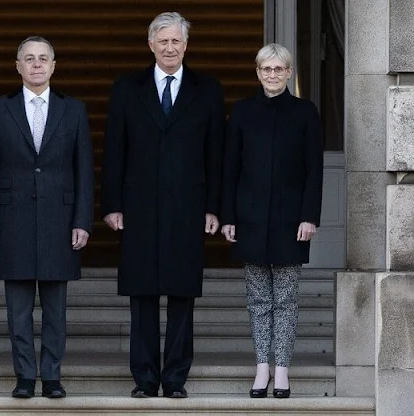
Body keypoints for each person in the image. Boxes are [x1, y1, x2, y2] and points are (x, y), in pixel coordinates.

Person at [101, 12, 224, 399]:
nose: (170, 48)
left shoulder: (208, 89)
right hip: (139, 206)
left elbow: (215, 154)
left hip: (189, 205)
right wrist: (112, 204)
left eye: (176, 41)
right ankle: (144, 379)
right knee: (142, 294)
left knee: (182, 293)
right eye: (163, 41)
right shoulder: (126, 88)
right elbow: (114, 150)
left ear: (186, 45)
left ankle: (174, 380)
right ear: (151, 44)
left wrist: (214, 207)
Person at [0, 36, 94, 399]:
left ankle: (53, 376)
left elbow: (84, 170)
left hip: (61, 220)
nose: (37, 64)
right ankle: (25, 376)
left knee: (56, 309)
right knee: (19, 308)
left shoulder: (73, 110)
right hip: (13, 220)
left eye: (44, 59)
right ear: (18, 66)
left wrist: (82, 221)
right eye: (29, 58)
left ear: (54, 66)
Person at [220, 43, 324, 399]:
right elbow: (230, 168)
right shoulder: (243, 111)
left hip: (291, 221)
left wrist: (310, 216)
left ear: (289, 72)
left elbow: (314, 170)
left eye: (279, 69)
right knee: (258, 300)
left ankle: (282, 369)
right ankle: (261, 367)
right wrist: (228, 216)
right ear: (258, 72)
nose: (273, 75)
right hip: (249, 218)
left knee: (286, 300)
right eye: (266, 69)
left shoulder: (306, 112)